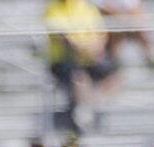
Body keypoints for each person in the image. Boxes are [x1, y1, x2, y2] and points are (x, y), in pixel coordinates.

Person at [43, 0, 120, 133]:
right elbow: (61, 38)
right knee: (80, 78)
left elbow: (101, 33)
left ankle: (92, 105)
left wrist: (96, 48)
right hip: (63, 60)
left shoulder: (87, 7)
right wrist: (85, 49)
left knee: (117, 76)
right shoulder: (52, 8)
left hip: (89, 57)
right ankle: (86, 111)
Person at [98, 0, 154, 70]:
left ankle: (149, 60)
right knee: (115, 33)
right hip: (111, 23)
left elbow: (135, 10)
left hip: (126, 21)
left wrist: (127, 20)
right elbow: (106, 9)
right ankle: (114, 61)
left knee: (141, 33)